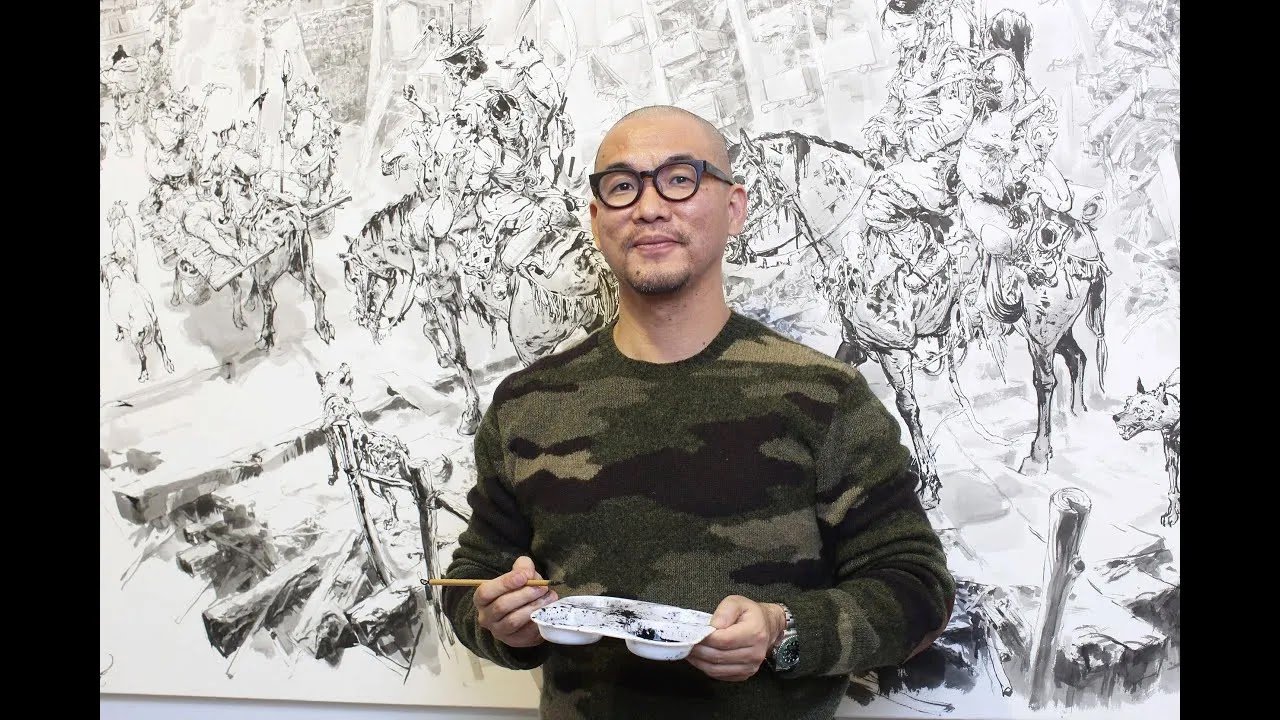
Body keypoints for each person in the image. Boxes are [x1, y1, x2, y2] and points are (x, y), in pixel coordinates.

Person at [440, 105, 956, 720]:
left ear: (734, 208)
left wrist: (784, 630)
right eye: (623, 186)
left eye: (679, 179)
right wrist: (497, 620)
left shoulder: (825, 395)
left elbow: (917, 588)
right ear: (598, 220)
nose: (650, 207)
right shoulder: (527, 405)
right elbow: (472, 578)